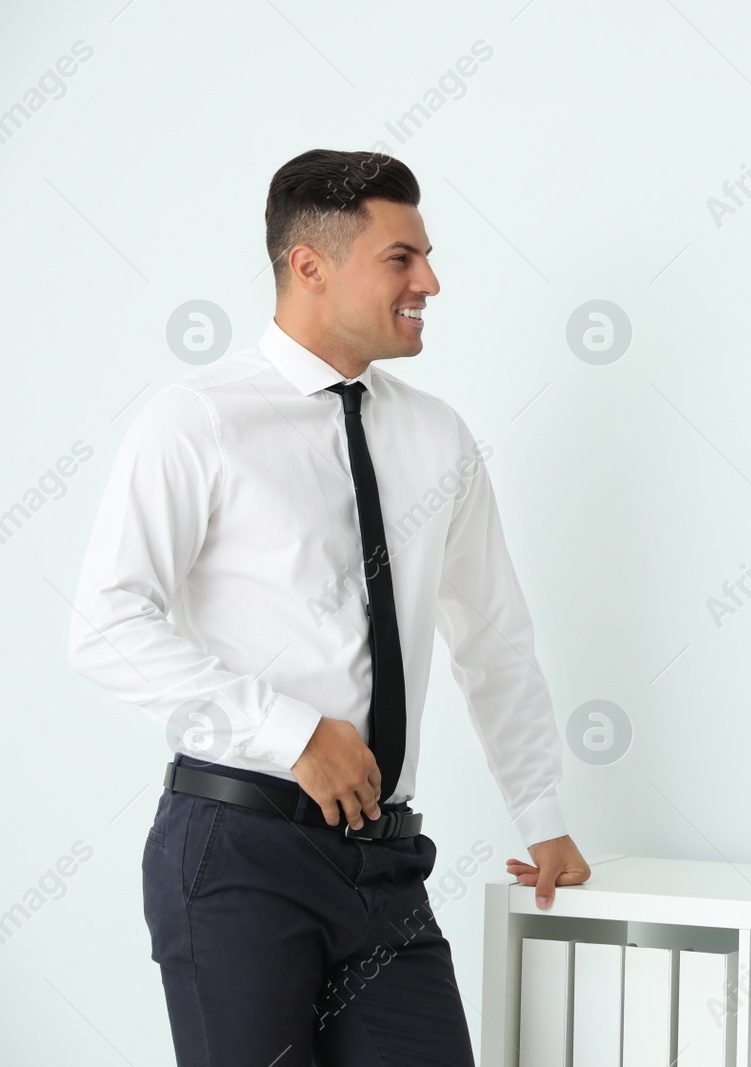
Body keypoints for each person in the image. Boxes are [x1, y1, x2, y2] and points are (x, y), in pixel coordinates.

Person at [66, 148, 589, 1066]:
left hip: (385, 861)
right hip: (237, 852)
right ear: (310, 266)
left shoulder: (437, 435)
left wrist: (541, 811)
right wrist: (295, 733)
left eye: (425, 255)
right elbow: (108, 625)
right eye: (402, 258)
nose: (430, 279)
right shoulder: (199, 420)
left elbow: (492, 635)